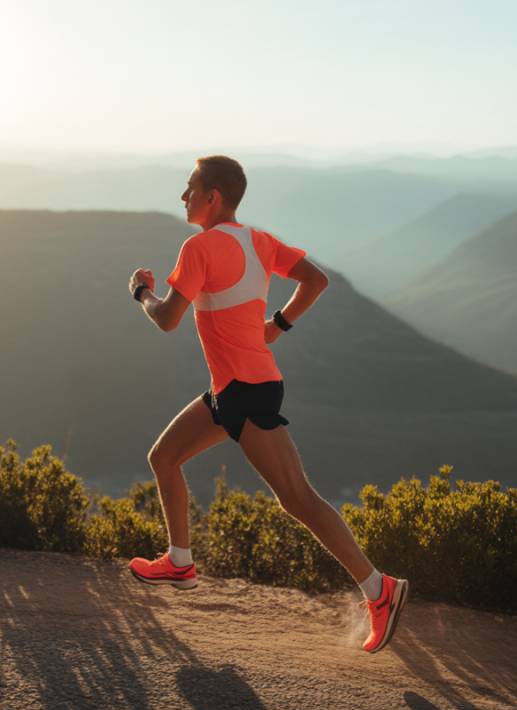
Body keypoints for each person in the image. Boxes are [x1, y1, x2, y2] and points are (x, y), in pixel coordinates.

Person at [126, 155, 407, 653]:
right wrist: (277, 326)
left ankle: (378, 589)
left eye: (190, 188)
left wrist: (142, 292)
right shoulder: (259, 241)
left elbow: (167, 318)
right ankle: (180, 561)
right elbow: (316, 280)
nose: (183, 197)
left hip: (246, 390)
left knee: (298, 499)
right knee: (164, 457)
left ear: (213, 196)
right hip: (232, 389)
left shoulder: (199, 248)